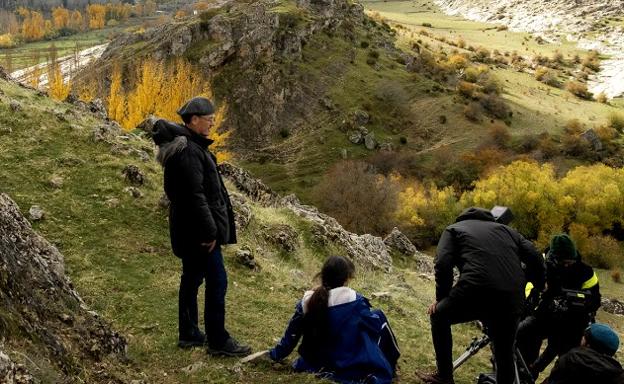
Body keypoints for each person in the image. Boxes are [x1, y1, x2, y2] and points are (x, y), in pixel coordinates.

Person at [152, 96, 251, 356]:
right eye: (208, 120)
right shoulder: (189, 152)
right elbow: (195, 196)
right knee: (217, 281)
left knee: (192, 278)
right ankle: (218, 341)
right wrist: (211, 232)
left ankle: (189, 333)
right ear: (194, 120)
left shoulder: (188, 146)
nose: (212, 124)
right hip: (199, 234)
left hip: (188, 230)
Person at [417, 207, 545, 384]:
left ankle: (444, 377)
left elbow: (442, 262)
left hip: (474, 290)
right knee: (505, 350)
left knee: (439, 317)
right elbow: (536, 258)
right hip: (511, 298)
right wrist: (536, 286)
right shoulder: (509, 231)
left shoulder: (454, 229)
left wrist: (442, 299)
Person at [248, 255, 400, 384]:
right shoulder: (356, 301)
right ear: (347, 279)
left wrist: (275, 355)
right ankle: (390, 365)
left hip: (313, 363)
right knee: (379, 316)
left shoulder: (307, 302)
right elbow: (373, 326)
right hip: (346, 364)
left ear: (322, 275)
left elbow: (291, 337)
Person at [517, 233, 601, 378]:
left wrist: (579, 305)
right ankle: (526, 375)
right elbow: (526, 289)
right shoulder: (539, 264)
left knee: (568, 362)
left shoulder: (585, 271)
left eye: (571, 262)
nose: (568, 265)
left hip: (572, 323)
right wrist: (544, 298)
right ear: (554, 258)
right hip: (540, 316)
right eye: (565, 262)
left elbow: (595, 300)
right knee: (526, 345)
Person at [541, 323, 623, 384]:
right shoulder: (618, 375)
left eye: (584, 337)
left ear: (588, 344)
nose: (581, 338)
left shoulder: (570, 359)